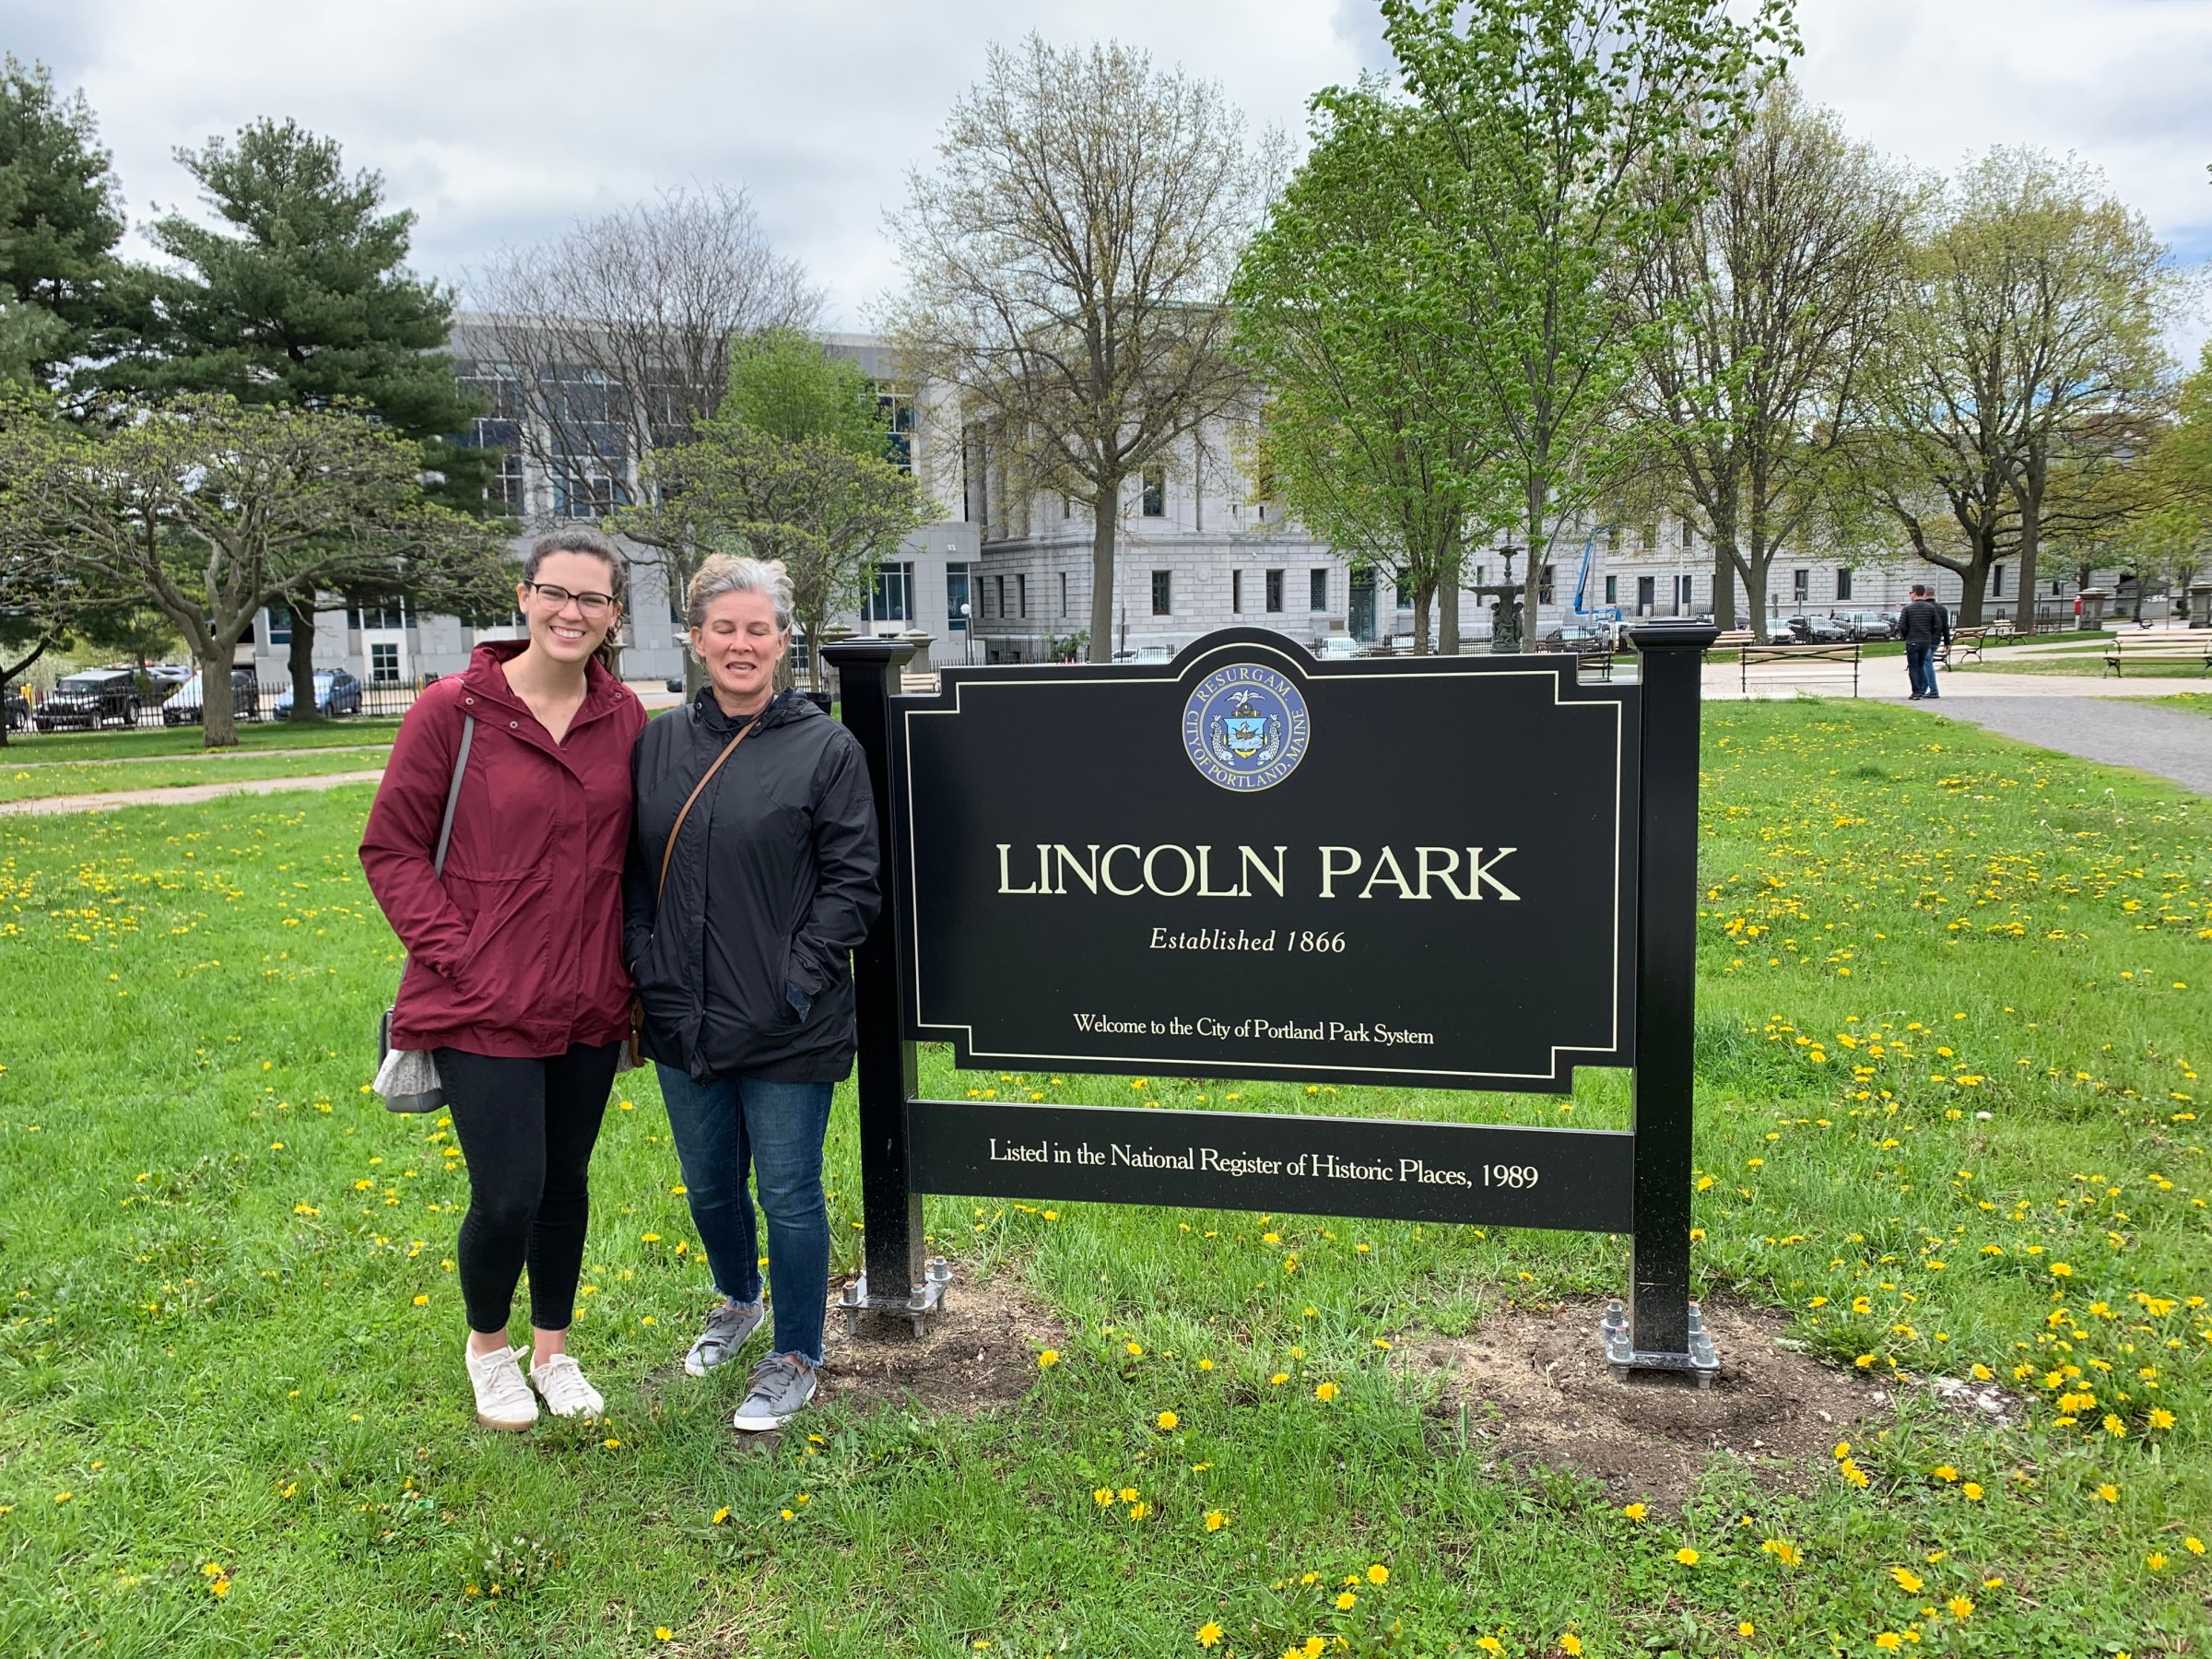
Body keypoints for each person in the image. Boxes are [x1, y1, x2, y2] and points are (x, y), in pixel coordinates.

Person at [361, 529, 648, 1430]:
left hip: (591, 999)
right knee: (510, 1190)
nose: (571, 612)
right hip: (482, 1003)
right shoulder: (455, 710)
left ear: (613, 617)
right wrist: (461, 953)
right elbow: (392, 847)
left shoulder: (624, 716)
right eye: (555, 593)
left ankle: (555, 1351)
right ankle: (490, 1347)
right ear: (524, 597)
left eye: (592, 600)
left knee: (567, 1183)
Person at [626, 555, 880, 1432]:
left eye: (757, 629)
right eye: (723, 628)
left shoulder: (826, 747)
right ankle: (739, 1300)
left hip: (785, 1022)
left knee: (789, 1194)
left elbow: (854, 885)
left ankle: (797, 1353)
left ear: (782, 640)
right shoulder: (658, 744)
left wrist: (795, 979)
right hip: (680, 1011)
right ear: (696, 639)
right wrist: (642, 959)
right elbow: (630, 873)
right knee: (707, 1187)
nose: (740, 644)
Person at [1898, 583, 1950, 700]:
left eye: (1911, 593)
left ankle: (1917, 691)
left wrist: (1906, 636)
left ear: (1915, 593)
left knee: (1914, 667)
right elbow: (1938, 625)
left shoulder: (1908, 608)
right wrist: (1929, 635)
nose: (1910, 595)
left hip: (1913, 641)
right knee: (1922, 665)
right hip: (1926, 641)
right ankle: (1922, 689)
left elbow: (1902, 626)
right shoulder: (1931, 608)